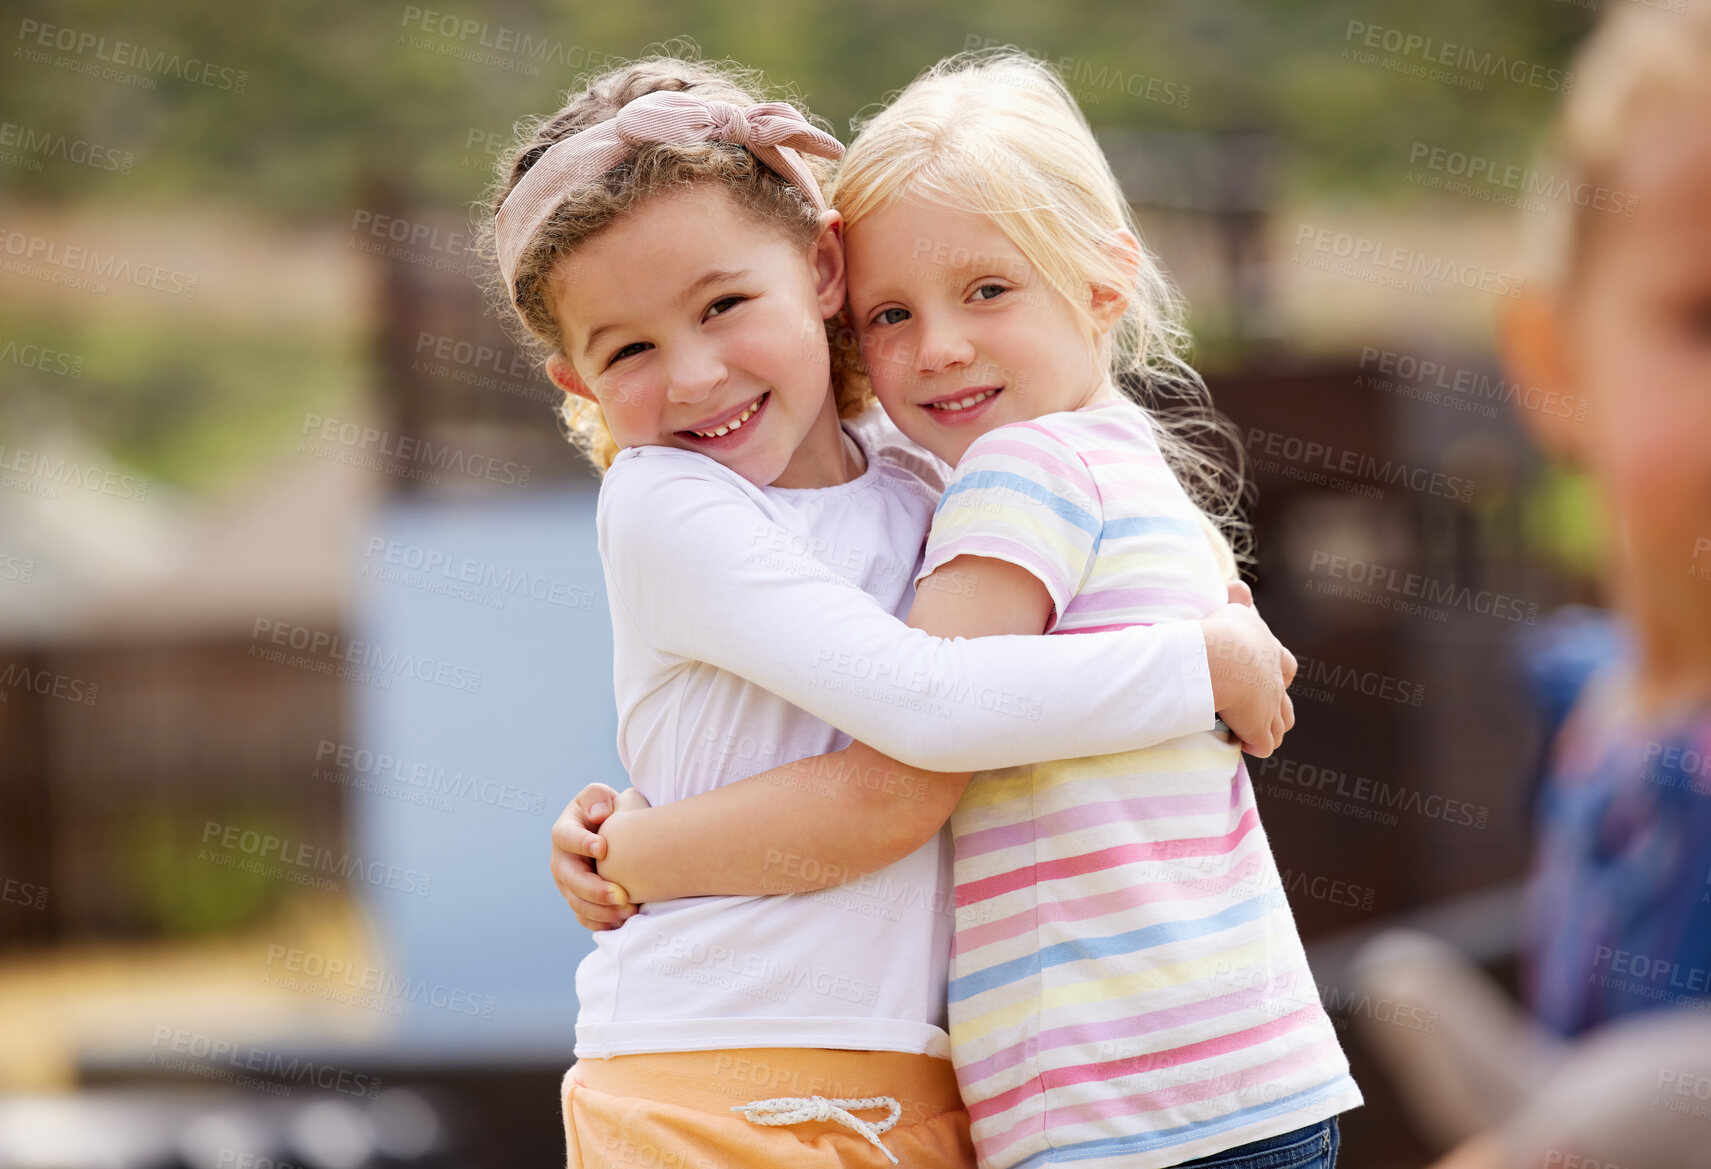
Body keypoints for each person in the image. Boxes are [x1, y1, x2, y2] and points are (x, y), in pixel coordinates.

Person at [485, 53, 1297, 1168]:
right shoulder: (664, 500)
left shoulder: (927, 479)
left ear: (821, 269)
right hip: (715, 1076)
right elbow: (917, 728)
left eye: (723, 304)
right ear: (576, 383)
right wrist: (1194, 667)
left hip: (921, 1084)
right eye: (628, 349)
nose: (692, 375)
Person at [1349, 3, 1711, 1166]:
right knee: (1399, 980)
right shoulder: (1584, 700)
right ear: (1557, 362)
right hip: (1560, 1097)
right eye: (1704, 317)